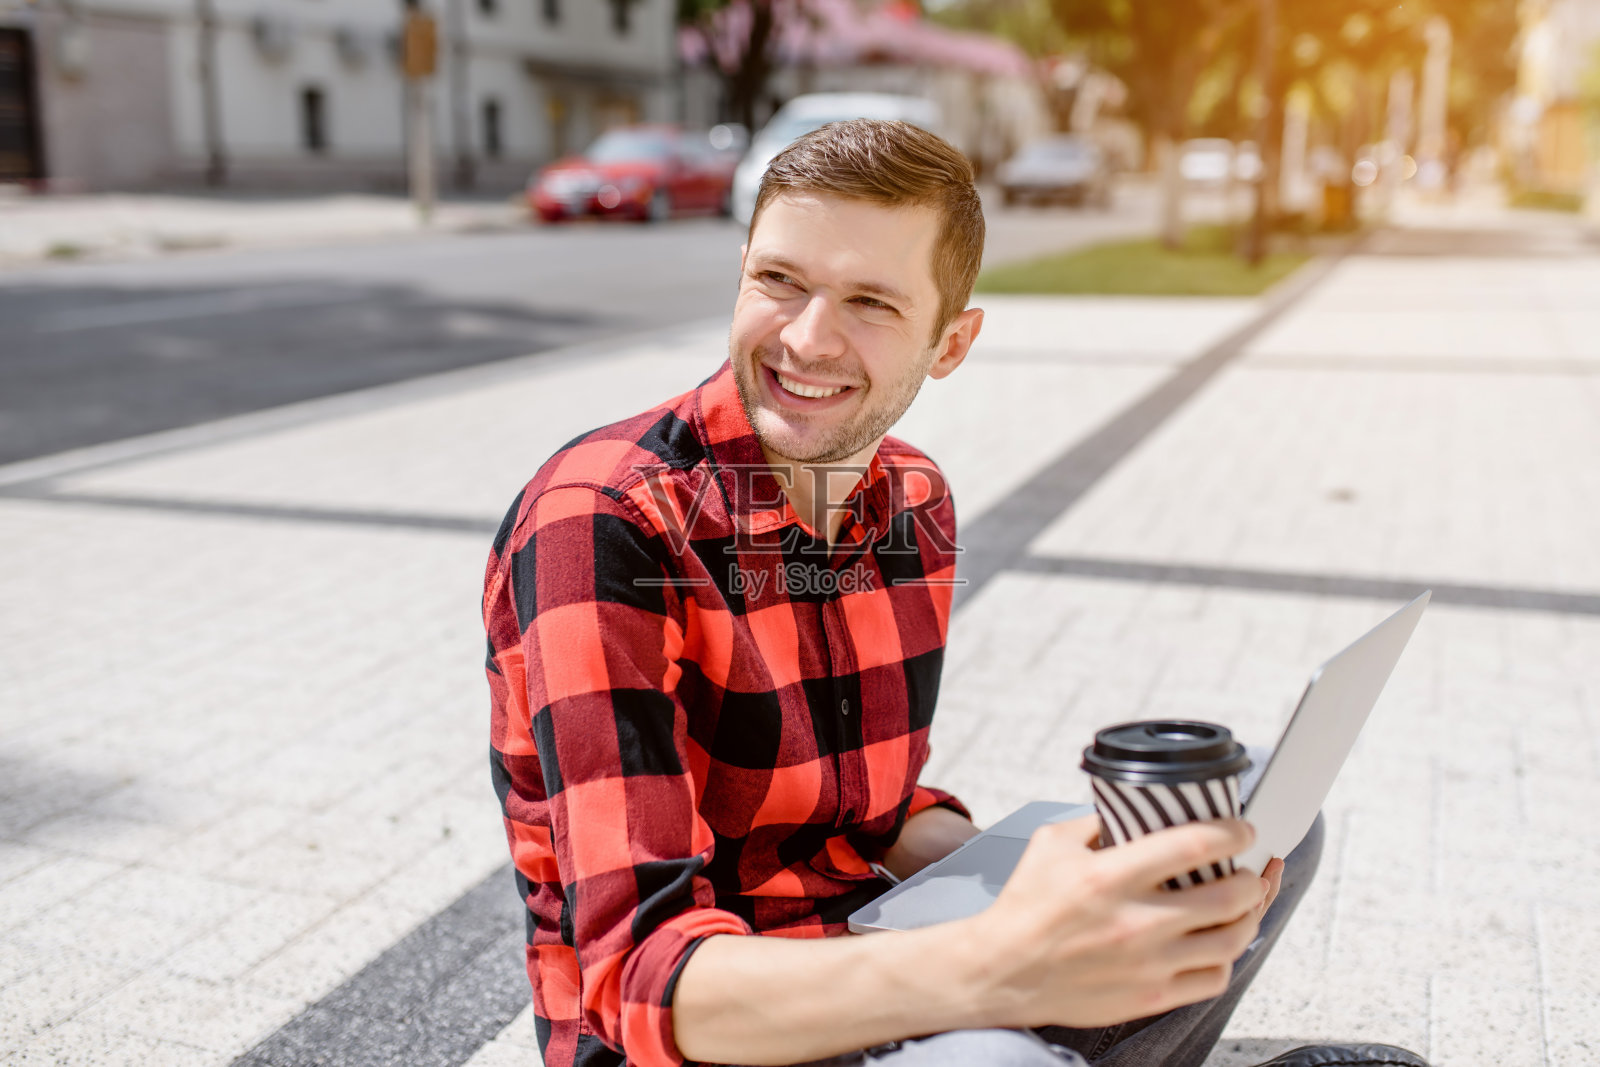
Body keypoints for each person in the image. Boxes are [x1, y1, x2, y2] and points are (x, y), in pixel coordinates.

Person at [483, 119, 1428, 1067]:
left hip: (873, 968)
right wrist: (1001, 964)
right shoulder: (602, 521)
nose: (807, 338)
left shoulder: (910, 499)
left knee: (1253, 833)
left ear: (952, 341)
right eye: (781, 280)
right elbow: (643, 989)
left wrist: (1075, 888)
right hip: (703, 1031)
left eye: (870, 302)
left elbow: (875, 819)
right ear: (741, 270)